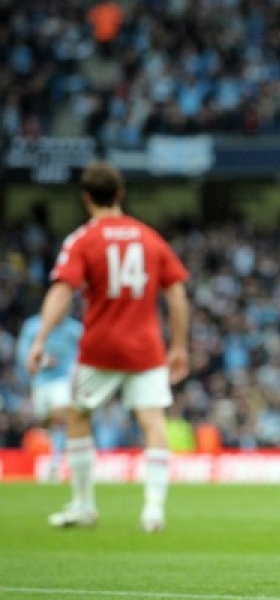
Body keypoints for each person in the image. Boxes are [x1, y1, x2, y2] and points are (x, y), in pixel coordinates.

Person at [24, 160, 191, 533]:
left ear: (86, 198)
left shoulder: (82, 240)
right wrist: (179, 345)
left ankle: (84, 506)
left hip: (100, 348)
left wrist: (40, 338)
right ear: (120, 194)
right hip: (146, 348)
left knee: (79, 415)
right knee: (152, 421)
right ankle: (153, 510)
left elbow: (62, 291)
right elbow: (176, 293)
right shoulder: (149, 237)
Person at [15, 312, 84, 481]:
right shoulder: (32, 326)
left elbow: (84, 352)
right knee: (45, 421)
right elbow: (22, 354)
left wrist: (78, 374)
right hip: (40, 382)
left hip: (64, 381)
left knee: (60, 416)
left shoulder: (74, 329)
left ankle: (57, 460)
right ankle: (51, 455)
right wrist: (44, 360)